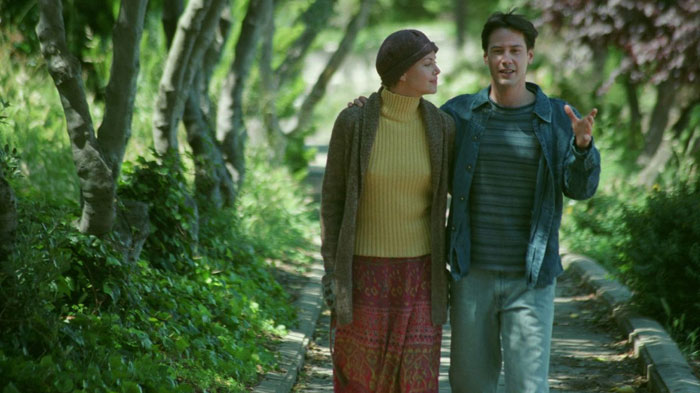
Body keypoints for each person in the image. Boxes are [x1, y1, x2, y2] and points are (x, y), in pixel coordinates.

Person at [442, 10, 601, 393]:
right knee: (469, 385)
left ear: (530, 55)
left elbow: (580, 189)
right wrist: (371, 109)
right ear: (486, 57)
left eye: (515, 50)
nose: (506, 59)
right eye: (497, 51)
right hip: (471, 274)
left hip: (531, 278)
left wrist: (582, 147)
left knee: (528, 386)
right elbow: (415, 144)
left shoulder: (559, 117)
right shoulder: (459, 114)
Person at [320, 29, 455, 392]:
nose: (437, 71)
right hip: (363, 274)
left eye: (435, 63)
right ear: (400, 73)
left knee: (416, 380)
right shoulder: (353, 123)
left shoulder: (442, 126)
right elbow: (332, 203)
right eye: (427, 64)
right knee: (361, 380)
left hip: (422, 276)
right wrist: (332, 270)